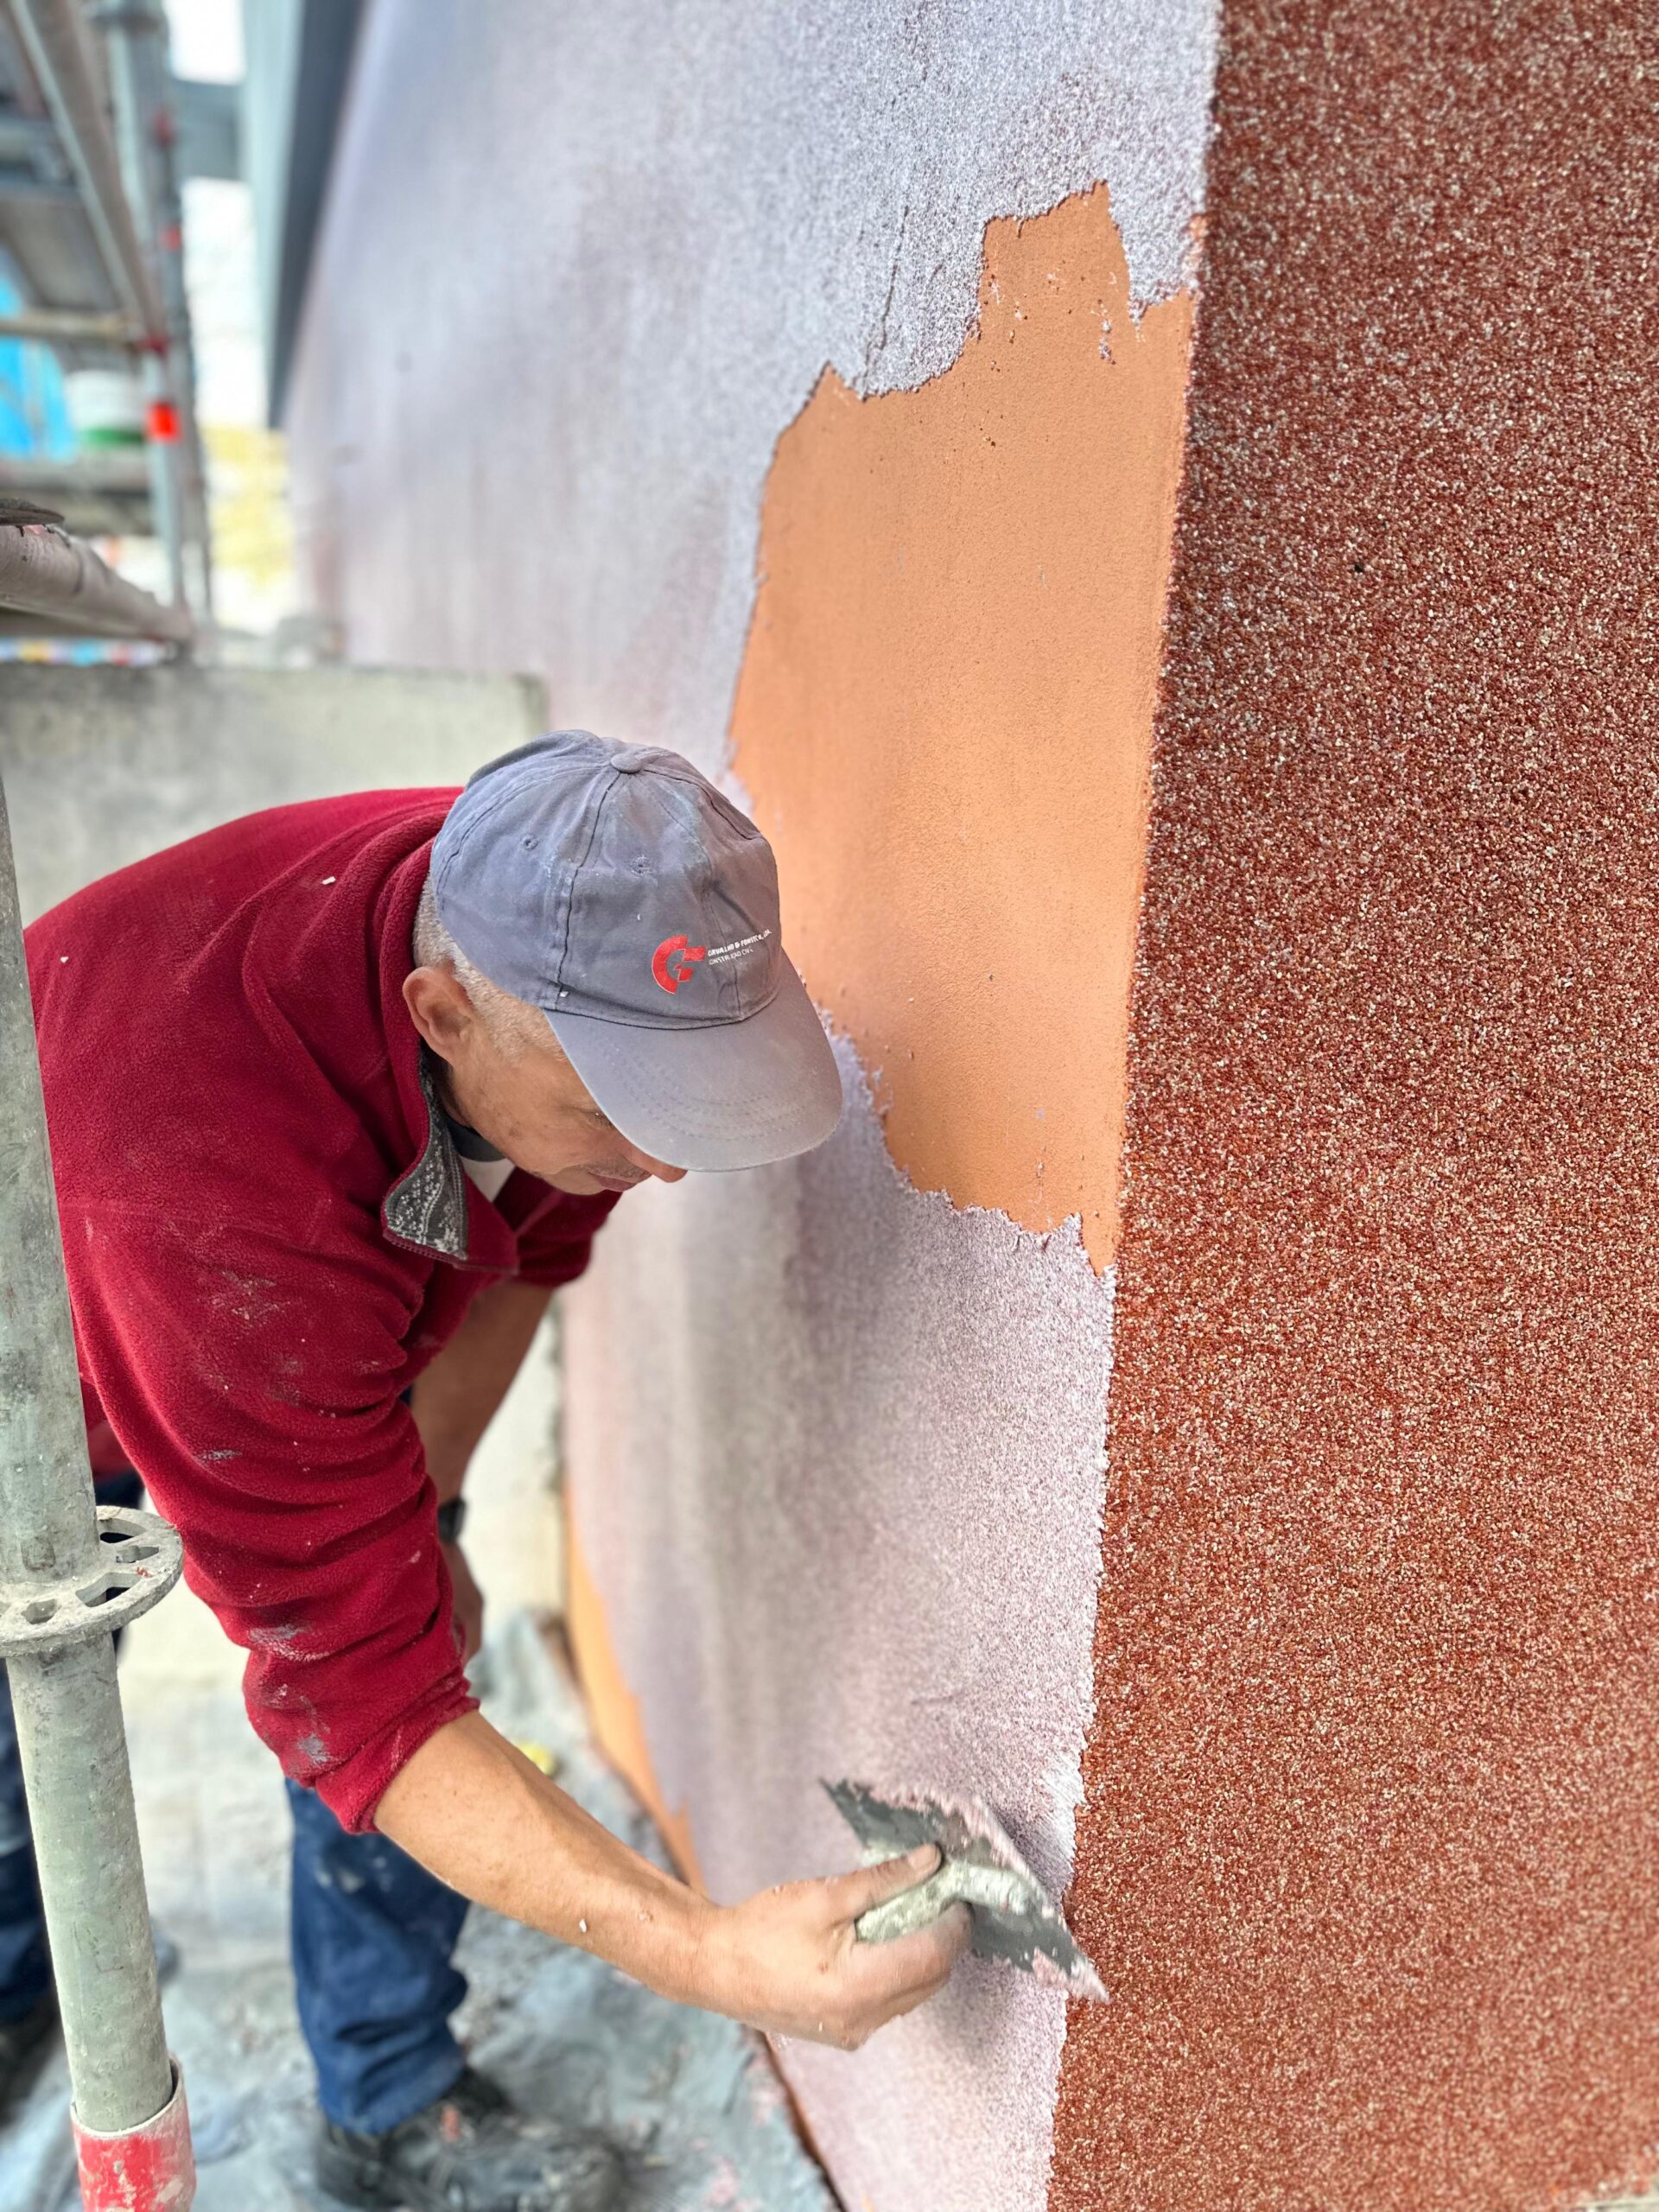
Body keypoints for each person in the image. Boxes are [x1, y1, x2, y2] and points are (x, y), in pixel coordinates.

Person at [3, 731, 969, 2211]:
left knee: (409, 1612)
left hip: (211, 1256)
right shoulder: (221, 1197)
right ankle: (19, 1979)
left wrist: (432, 1511)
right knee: (38, 1689)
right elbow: (360, 1702)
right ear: (443, 1017)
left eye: (683, 1103)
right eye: (617, 1114)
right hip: (47, 1341)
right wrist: (709, 1955)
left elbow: (529, 1245)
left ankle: (389, 2094)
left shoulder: (557, 897)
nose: (667, 1164)